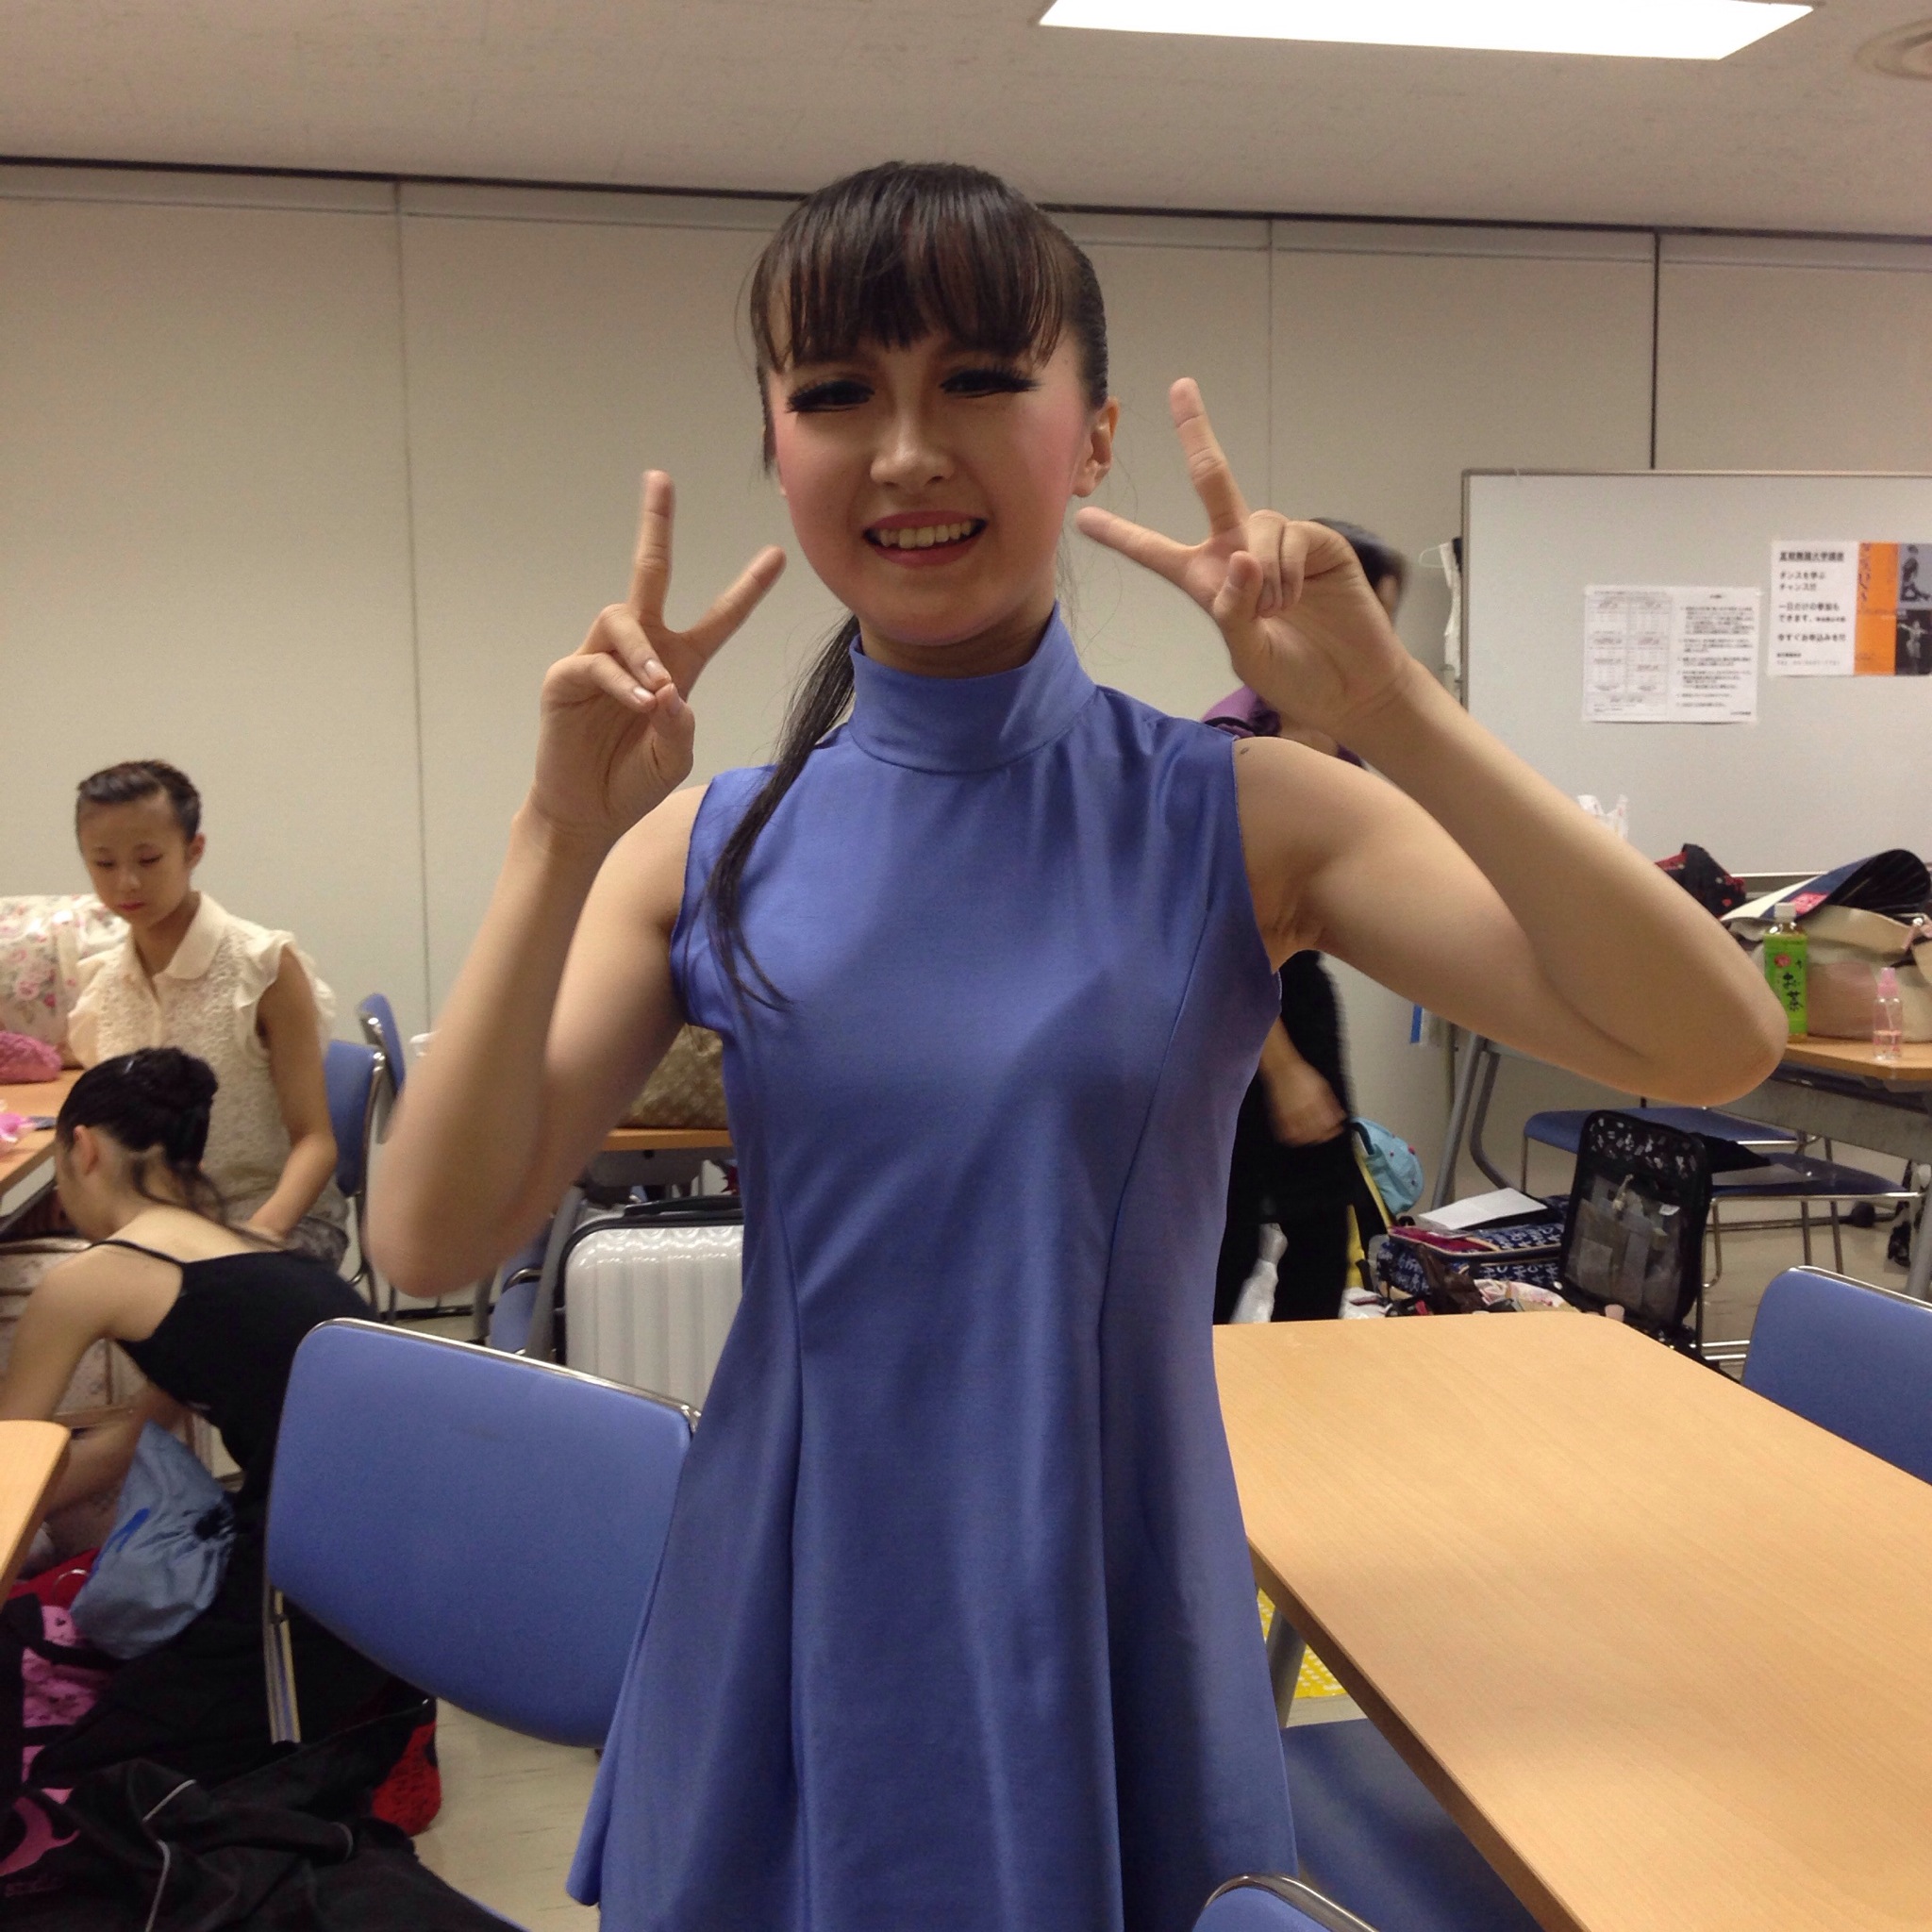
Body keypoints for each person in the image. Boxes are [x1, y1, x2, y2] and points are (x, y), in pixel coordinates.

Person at [370, 162, 1784, 1932]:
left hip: (1096, 1569)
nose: (906, 451)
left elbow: (1714, 1038)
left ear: (1093, 435)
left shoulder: (1240, 814)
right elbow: (431, 1233)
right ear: (777, 448)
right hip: (789, 1574)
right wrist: (553, 834)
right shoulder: (714, 840)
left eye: (977, 380)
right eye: (838, 393)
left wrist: (1391, 709)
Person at [0, 1049, 390, 1791]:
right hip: (400, 1567)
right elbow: (120, 1449)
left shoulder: (95, 1279)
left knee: (84, 1778)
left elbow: (7, 1480)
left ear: (82, 1148)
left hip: (320, 1582)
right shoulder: (249, 1252)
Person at [1205, 519, 1405, 1322]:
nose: (1372, 638)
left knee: (1322, 1230)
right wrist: (1283, 1069)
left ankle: (1310, 1387)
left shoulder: (1338, 738)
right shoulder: (1234, 742)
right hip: (1235, 1008)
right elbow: (1221, 937)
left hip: (1300, 992)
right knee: (1223, 1236)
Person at [67, 759, 348, 1264]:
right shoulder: (103, 982)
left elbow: (315, 1142)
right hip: (155, 1229)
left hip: (270, 1219)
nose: (127, 883)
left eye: (149, 859)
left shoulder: (263, 968)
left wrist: (250, 1239)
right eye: (104, 864)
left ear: (193, 850)